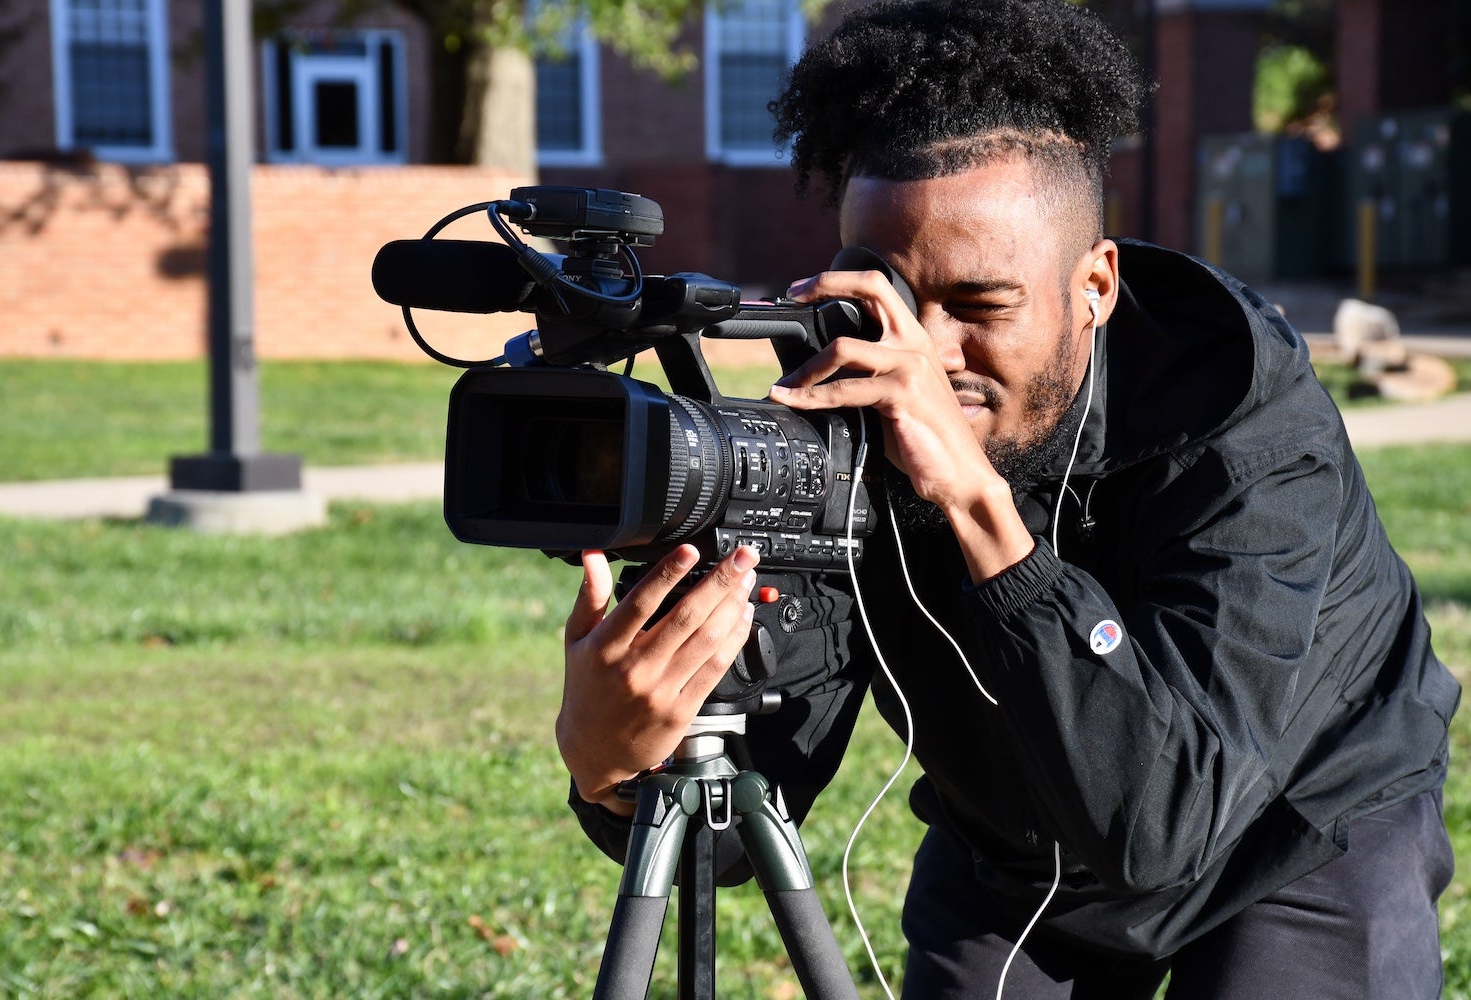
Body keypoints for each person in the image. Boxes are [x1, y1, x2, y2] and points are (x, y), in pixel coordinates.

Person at [556, 0, 1461, 995]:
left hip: (1299, 816)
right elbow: (744, 825)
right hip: (1021, 835)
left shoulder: (1241, 419)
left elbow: (1166, 820)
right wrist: (616, 762)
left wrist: (976, 504)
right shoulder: (840, 420)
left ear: (1096, 286)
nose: (926, 355)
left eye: (981, 306)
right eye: (882, 298)